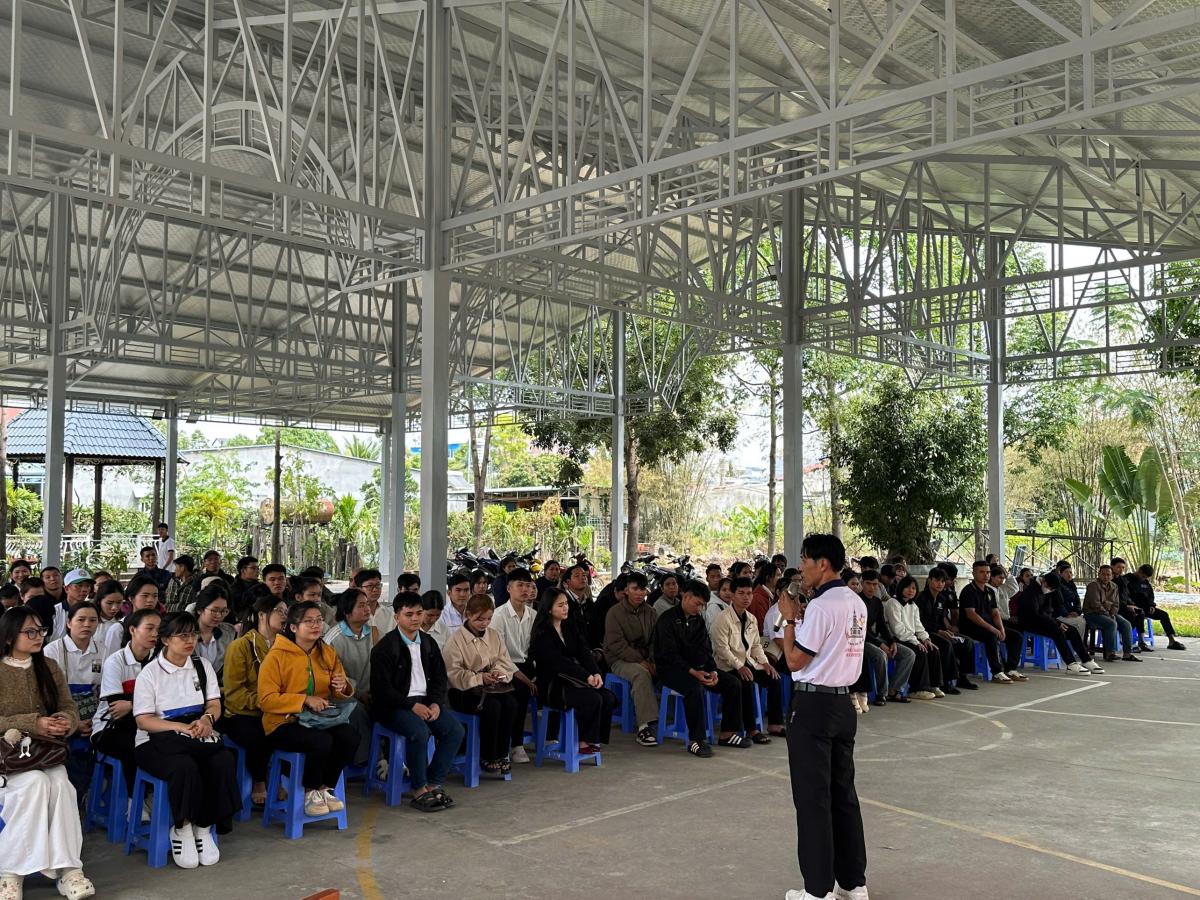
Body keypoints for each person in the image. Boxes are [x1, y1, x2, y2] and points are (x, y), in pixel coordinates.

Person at [773, 535, 868, 900]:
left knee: (813, 799)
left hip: (813, 705)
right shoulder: (856, 602)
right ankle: (853, 884)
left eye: (805, 561)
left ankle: (817, 891)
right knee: (843, 795)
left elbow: (795, 660)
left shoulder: (822, 606)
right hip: (843, 703)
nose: (801, 568)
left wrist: (789, 620)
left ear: (823, 563)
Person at [0, 607, 95, 900]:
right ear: (8, 637)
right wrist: (33, 723)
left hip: (44, 752)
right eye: (30, 631)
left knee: (62, 785)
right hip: (7, 758)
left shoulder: (49, 667)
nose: (38, 636)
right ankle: (11, 872)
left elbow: (68, 706)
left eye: (41, 630)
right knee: (35, 784)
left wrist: (64, 722)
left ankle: (69, 869)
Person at [133, 612, 239, 868]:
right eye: (182, 636)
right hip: (155, 740)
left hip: (195, 734)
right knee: (184, 767)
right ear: (166, 639)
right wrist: (178, 727)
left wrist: (206, 721)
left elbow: (214, 704)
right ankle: (183, 827)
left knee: (223, 759)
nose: (190, 640)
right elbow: (143, 721)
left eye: (192, 634)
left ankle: (204, 826)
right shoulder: (150, 673)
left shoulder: (202, 666)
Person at [258, 601, 358, 818]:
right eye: (309, 621)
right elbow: (265, 700)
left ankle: (325, 788)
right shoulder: (276, 656)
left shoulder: (326, 652)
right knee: (321, 741)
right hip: (283, 722)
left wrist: (342, 686)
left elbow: (339, 690)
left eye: (319, 620)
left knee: (349, 735)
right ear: (293, 627)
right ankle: (310, 791)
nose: (316, 625)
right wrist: (304, 700)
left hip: (318, 719)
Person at [370, 592, 464, 812]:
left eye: (419, 613)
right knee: (419, 732)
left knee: (455, 731)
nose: (415, 618)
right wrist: (411, 706)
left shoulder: (429, 643)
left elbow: (440, 678)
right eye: (409, 614)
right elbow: (382, 690)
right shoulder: (384, 648)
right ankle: (419, 788)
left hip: (426, 702)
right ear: (397, 617)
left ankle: (433, 783)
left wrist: (436, 703)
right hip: (395, 707)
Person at [652, 579, 747, 757]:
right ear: (686, 597)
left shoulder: (698, 620)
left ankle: (727, 734)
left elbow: (706, 649)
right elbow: (669, 655)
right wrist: (693, 672)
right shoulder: (667, 620)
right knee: (694, 688)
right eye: (697, 604)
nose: (700, 608)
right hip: (671, 670)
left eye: (703, 605)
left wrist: (712, 670)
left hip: (698, 669)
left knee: (733, 683)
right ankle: (696, 740)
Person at [528, 588, 617, 754]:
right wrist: (586, 676)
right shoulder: (543, 633)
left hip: (574, 679)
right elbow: (558, 663)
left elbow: (584, 652)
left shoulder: (569, 626)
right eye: (560, 605)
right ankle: (582, 740)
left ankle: (593, 738)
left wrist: (595, 672)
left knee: (607, 697)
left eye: (566, 604)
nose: (565, 608)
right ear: (549, 609)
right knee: (593, 699)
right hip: (553, 685)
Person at [221, 593, 287, 808]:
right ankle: (260, 779)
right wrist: (264, 702)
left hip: (276, 709)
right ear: (262, 615)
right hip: (243, 713)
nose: (284, 616)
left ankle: (287, 778)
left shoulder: (286, 645)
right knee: (259, 735)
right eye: (279, 611)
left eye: (286, 612)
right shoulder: (240, 646)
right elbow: (233, 693)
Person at [442, 594, 519, 775]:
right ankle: (488, 755)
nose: (484, 623)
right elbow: (453, 673)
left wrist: (497, 672)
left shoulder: (494, 635)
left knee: (511, 704)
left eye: (488, 619)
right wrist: (479, 678)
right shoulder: (455, 640)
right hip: (463, 691)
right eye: (479, 619)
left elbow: (504, 660)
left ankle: (502, 754)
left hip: (490, 689)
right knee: (492, 708)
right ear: (468, 615)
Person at [92, 608, 161, 799]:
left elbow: (167, 699)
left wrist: (130, 704)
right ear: (132, 630)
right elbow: (116, 709)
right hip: (110, 728)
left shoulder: (159, 660)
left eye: (158, 629)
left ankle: (153, 796)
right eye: (149, 628)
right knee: (136, 746)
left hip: (147, 724)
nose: (155, 634)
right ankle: (134, 801)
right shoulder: (115, 662)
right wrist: (148, 703)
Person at [43, 602, 106, 796]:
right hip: (62, 712)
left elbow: (105, 691)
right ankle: (71, 798)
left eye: (93, 620)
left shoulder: (103, 650)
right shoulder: (53, 650)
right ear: (69, 623)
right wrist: (73, 723)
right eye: (81, 619)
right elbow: (48, 695)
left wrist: (96, 721)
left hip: (93, 714)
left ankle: (88, 795)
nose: (87, 624)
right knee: (73, 750)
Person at [711, 576, 783, 742]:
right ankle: (751, 730)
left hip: (748, 663)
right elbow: (722, 649)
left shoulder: (751, 618)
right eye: (741, 593)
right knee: (746, 682)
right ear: (732, 595)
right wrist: (739, 666)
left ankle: (775, 723)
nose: (746, 597)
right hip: (726, 666)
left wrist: (765, 663)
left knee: (774, 678)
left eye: (749, 593)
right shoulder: (723, 618)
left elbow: (756, 645)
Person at [603, 572, 660, 747]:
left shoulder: (651, 612)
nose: (639, 593)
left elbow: (656, 640)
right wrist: (641, 661)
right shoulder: (614, 613)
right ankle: (645, 727)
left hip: (646, 658)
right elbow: (616, 644)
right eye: (635, 589)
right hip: (619, 658)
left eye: (642, 589)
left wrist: (652, 660)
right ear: (627, 590)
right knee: (641, 674)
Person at [323, 589, 378, 769]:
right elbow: (332, 677)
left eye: (367, 604)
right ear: (347, 612)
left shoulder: (374, 633)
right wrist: (359, 694)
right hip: (339, 695)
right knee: (358, 712)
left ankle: (389, 756)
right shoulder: (333, 639)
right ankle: (369, 762)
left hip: (369, 691)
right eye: (361, 605)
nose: (367, 609)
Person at [490, 568, 538, 763]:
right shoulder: (498, 616)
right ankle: (516, 744)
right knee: (519, 691)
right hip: (503, 667)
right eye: (520, 585)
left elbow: (536, 648)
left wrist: (535, 672)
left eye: (528, 585)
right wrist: (524, 678)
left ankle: (549, 737)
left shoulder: (533, 615)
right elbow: (499, 655)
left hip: (527, 665)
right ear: (509, 588)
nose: (525, 590)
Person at [1016, 572, 1104, 675]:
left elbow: (1049, 610)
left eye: (1052, 589)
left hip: (1044, 620)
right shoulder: (1031, 591)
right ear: (1043, 581)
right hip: (1029, 622)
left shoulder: (1047, 589)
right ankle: (1071, 664)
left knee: (1072, 630)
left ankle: (1086, 660)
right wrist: (1056, 623)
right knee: (1057, 631)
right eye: (1049, 587)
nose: (1049, 590)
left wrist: (1056, 622)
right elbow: (1034, 614)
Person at [957, 560, 1027, 683]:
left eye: (988, 572)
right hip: (971, 627)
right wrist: (993, 629)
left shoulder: (989, 591)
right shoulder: (968, 591)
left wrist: (1001, 628)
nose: (986, 575)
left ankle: (1010, 669)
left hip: (988, 625)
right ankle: (997, 672)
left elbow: (995, 612)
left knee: (1017, 636)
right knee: (991, 636)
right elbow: (971, 614)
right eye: (982, 572)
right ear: (973, 573)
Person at [853, 570, 915, 709]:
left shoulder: (877, 602)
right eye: (868, 584)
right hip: (859, 640)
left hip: (875, 638)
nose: (872, 587)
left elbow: (882, 625)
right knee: (880, 655)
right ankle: (882, 694)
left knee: (908, 654)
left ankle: (894, 689)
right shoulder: (856, 602)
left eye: (875, 584)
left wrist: (891, 641)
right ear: (862, 583)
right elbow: (861, 630)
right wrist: (880, 643)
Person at [883, 575, 946, 701]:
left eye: (913, 588)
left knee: (933, 649)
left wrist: (926, 639)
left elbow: (918, 626)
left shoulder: (913, 606)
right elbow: (898, 629)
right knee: (919, 651)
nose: (910, 590)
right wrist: (916, 642)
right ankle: (917, 689)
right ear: (901, 588)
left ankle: (933, 685)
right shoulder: (893, 603)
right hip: (896, 639)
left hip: (910, 638)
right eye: (907, 587)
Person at [915, 568, 975, 692]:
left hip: (939, 631)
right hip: (924, 633)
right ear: (929, 580)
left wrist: (948, 630)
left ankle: (962, 677)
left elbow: (942, 619)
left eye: (942, 581)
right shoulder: (921, 598)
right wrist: (939, 632)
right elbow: (920, 622)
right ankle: (945, 682)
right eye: (937, 580)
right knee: (946, 645)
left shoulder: (942, 598)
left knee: (967, 642)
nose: (940, 584)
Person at [1082, 565, 1140, 662]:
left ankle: (1127, 653)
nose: (1106, 577)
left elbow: (1116, 604)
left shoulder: (1114, 586)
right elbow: (1096, 605)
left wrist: (1112, 613)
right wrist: (1108, 614)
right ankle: (1109, 653)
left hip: (1109, 613)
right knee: (1111, 623)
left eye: (1108, 575)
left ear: (1112, 576)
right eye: (1103, 574)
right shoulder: (1093, 585)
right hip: (1092, 614)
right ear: (1099, 574)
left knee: (1126, 624)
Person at [1124, 564, 1186, 650]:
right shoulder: (1127, 579)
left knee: (1164, 615)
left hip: (1146, 607)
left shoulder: (1145, 582)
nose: (1143, 578)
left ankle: (1172, 641)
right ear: (1139, 570)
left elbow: (1150, 595)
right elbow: (1124, 595)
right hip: (1132, 607)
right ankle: (1141, 642)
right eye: (1143, 576)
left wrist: (1151, 605)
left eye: (1146, 577)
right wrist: (1131, 605)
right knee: (1140, 613)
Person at [193, 586, 237, 682]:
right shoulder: (185, 634)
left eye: (224, 611)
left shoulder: (229, 633)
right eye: (214, 610)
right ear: (200, 609)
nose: (219, 615)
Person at [1051, 561, 1087, 642]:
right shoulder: (1056, 584)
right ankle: (1076, 645)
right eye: (1066, 572)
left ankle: (1077, 645)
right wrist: (1066, 614)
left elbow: (1077, 599)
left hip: (1068, 612)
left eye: (1070, 572)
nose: (1069, 574)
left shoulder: (1071, 584)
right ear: (1060, 573)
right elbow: (1058, 602)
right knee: (1080, 622)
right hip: (1057, 614)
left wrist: (1077, 611)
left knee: (1081, 620)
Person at [229, 556, 261, 621]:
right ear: (243, 571)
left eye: (258, 568)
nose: (257, 571)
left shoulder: (261, 588)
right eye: (253, 568)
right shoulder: (232, 590)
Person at [750, 565, 779, 629]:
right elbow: (761, 625)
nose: (780, 578)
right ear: (768, 578)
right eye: (778, 575)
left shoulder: (772, 596)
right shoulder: (758, 597)